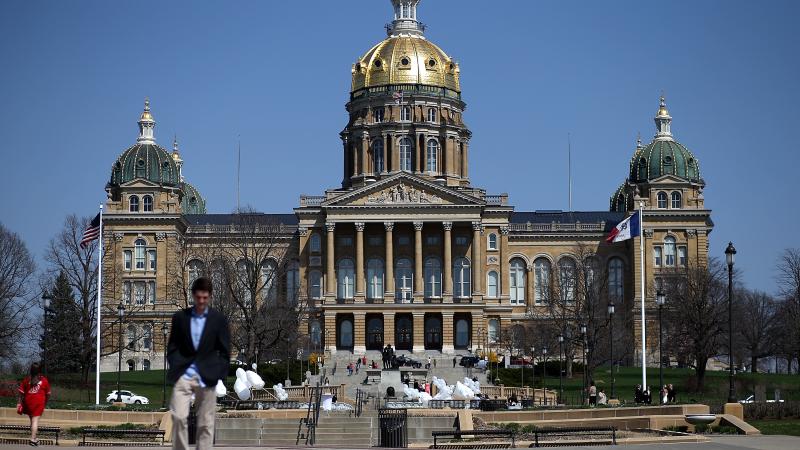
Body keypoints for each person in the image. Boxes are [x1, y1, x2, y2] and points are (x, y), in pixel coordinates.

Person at [167, 276, 231, 450]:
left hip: (207, 375)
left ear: (209, 297)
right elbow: (172, 345)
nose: (201, 301)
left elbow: (225, 351)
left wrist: (219, 374)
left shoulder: (218, 320)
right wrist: (175, 364)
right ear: (193, 296)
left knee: (205, 423)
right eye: (198, 298)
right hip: (184, 375)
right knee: (178, 416)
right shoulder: (180, 317)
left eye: (205, 298)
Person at [17, 363, 50, 446]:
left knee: (32, 420)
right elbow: (48, 393)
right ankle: (32, 439)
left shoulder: (27, 380)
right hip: (39, 402)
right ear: (40, 370)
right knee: (35, 420)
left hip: (28, 402)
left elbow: (21, 393)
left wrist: (19, 403)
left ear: (31, 370)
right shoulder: (44, 380)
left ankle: (34, 437)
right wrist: (46, 402)